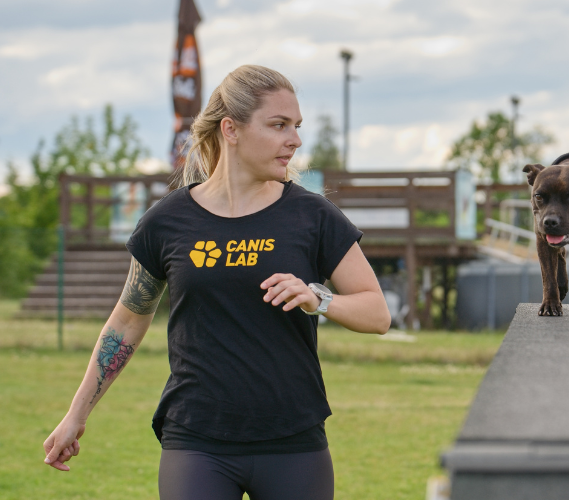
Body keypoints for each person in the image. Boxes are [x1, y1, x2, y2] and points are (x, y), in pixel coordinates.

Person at [42, 65, 391, 500]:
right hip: (196, 441)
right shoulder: (168, 221)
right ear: (231, 129)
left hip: (292, 442)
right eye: (279, 125)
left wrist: (317, 298)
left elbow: (377, 314)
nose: (295, 140)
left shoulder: (313, 216)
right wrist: (76, 414)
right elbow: (126, 322)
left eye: (296, 127)